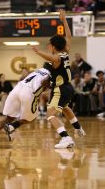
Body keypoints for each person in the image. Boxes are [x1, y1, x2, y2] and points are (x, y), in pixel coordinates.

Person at [32, 9, 86, 149]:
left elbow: (51, 58)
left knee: (50, 115)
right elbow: (68, 36)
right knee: (66, 108)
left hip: (61, 89)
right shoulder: (65, 52)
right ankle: (79, 129)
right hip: (68, 88)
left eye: (50, 44)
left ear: (54, 46)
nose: (49, 46)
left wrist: (38, 52)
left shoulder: (56, 57)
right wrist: (64, 20)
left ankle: (66, 138)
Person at [0, 63, 52, 147]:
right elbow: (45, 83)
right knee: (32, 118)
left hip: (16, 89)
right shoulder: (50, 74)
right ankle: (12, 126)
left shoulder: (37, 71)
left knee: (8, 118)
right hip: (28, 92)